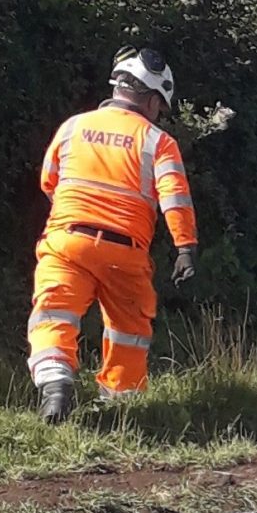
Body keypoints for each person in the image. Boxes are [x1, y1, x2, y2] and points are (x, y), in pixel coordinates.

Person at [27, 46, 198, 425]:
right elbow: (175, 198)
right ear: (152, 100)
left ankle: (55, 385)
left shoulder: (73, 126)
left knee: (54, 314)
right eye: (161, 106)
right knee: (129, 331)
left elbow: (48, 181)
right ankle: (119, 411)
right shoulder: (158, 141)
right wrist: (185, 247)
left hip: (67, 241)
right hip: (126, 251)